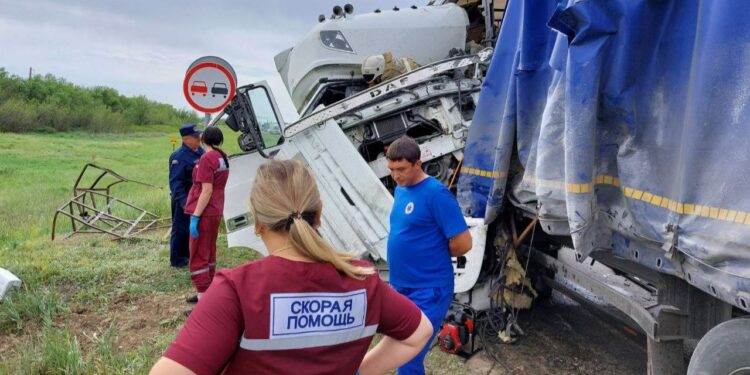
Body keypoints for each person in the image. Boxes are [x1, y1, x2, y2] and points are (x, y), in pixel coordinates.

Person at [150, 160, 433, 375]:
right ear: (319, 214)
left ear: (257, 223)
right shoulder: (363, 280)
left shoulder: (238, 290)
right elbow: (418, 334)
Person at [385, 136, 473, 375]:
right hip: (402, 288)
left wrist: (432, 253)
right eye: (391, 169)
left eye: (401, 169)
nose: (396, 175)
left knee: (409, 356)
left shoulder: (436, 194)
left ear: (418, 163)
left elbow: (464, 242)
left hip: (429, 290)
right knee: (399, 350)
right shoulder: (401, 190)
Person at [183, 126, 230, 302]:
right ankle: (208, 291)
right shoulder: (222, 157)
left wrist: (195, 216)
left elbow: (206, 190)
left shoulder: (207, 158)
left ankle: (203, 299)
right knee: (209, 251)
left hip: (205, 211)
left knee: (198, 254)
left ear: (203, 139)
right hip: (216, 209)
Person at [168, 124, 205, 268]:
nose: (198, 139)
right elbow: (175, 182)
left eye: (199, 136)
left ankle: (190, 254)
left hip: (198, 197)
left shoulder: (200, 151)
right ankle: (177, 260)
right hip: (184, 198)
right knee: (180, 228)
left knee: (195, 228)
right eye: (195, 137)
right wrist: (183, 202)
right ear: (186, 139)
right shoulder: (179, 156)